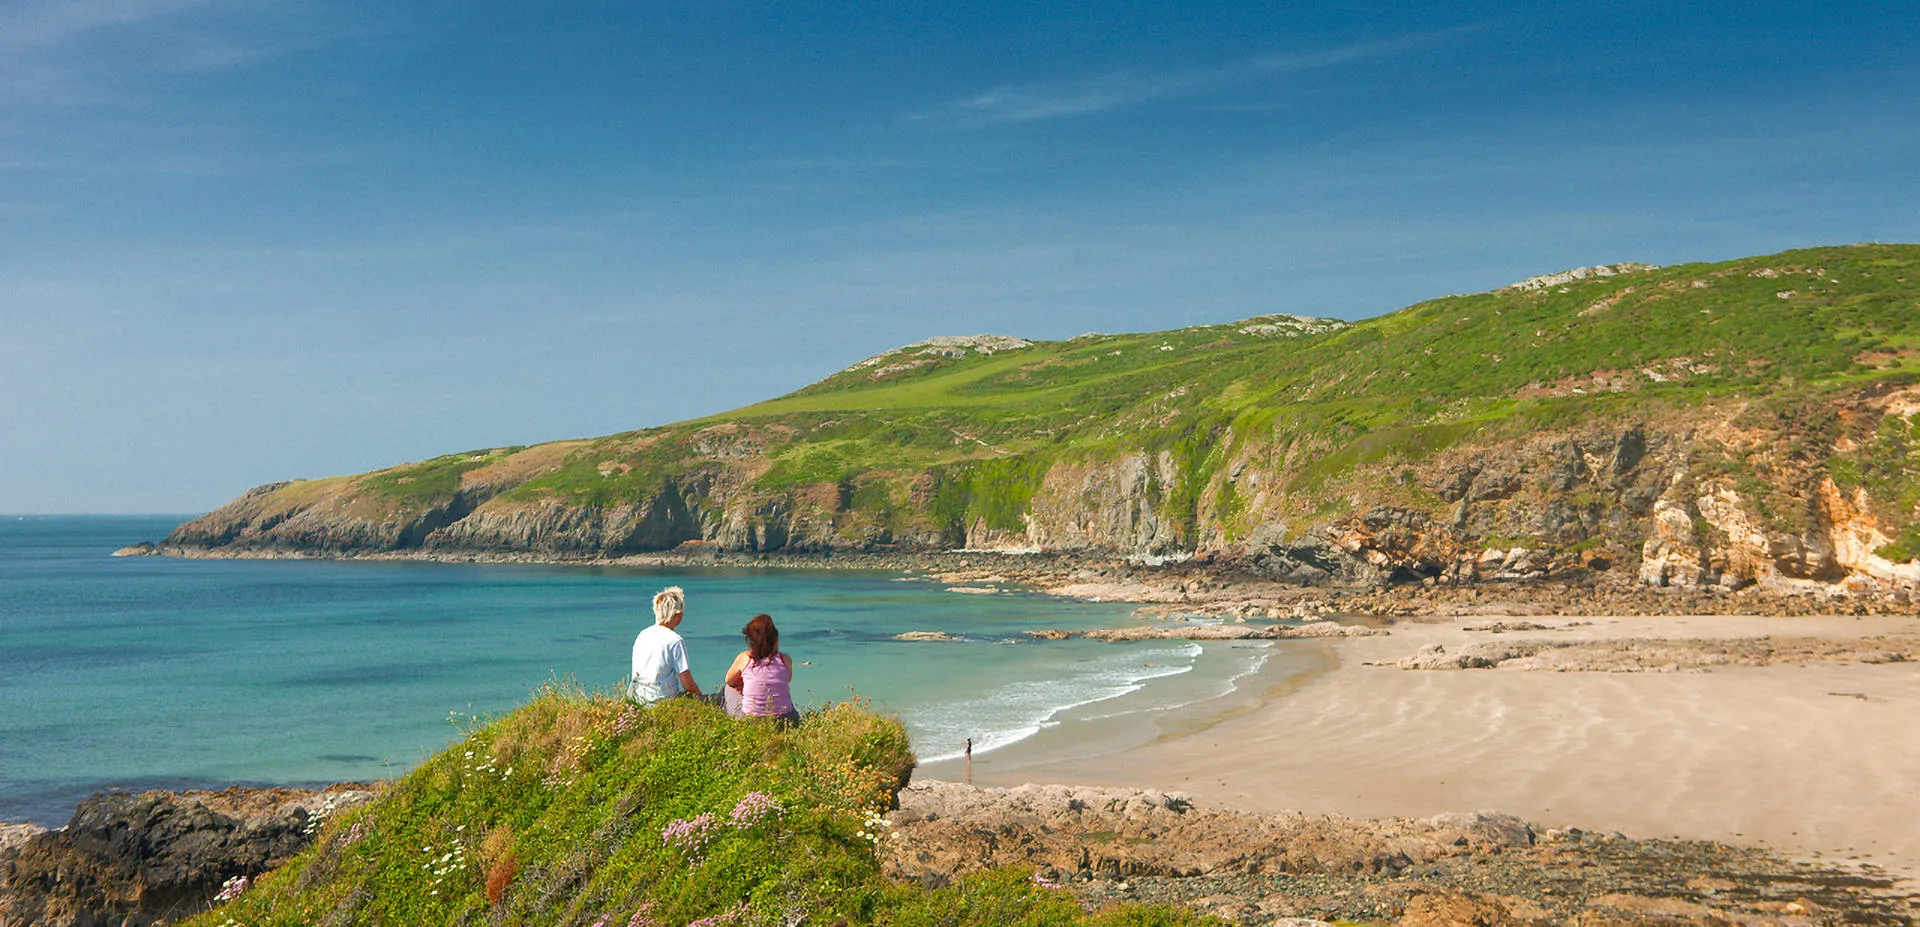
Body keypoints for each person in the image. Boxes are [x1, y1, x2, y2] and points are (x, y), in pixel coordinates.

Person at [630, 586, 703, 703]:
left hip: (638, 700)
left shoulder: (643, 635)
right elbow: (688, 685)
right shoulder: (675, 641)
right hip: (663, 702)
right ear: (678, 615)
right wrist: (702, 699)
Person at [724, 613, 799, 725]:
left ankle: (725, 715)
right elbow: (787, 680)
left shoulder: (745, 658)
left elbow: (729, 680)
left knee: (729, 688)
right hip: (786, 720)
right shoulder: (785, 659)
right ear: (775, 639)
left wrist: (744, 685)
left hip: (751, 721)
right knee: (780, 690)